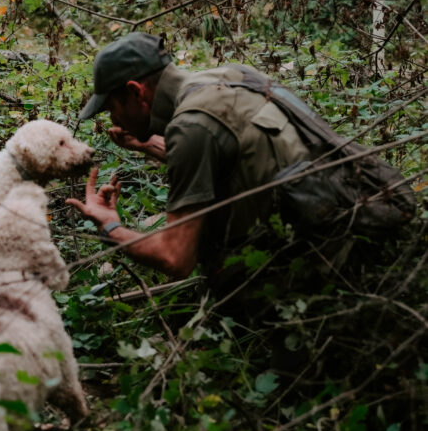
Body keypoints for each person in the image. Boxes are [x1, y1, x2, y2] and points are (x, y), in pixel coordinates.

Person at [67, 32, 414, 282]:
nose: (112, 121)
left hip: (319, 268)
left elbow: (175, 258)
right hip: (352, 215)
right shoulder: (231, 75)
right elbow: (229, 157)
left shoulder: (190, 127)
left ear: (135, 92)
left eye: (111, 109)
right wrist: (145, 145)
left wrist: (109, 224)